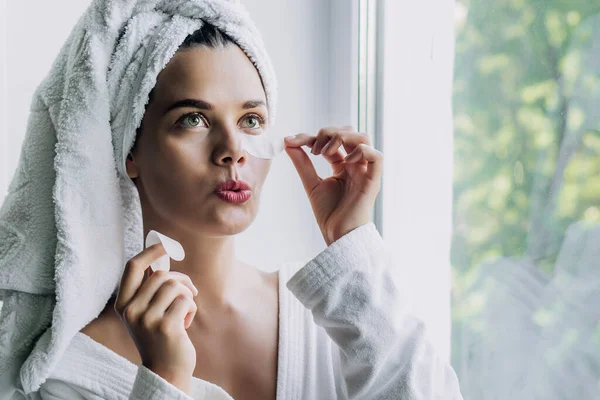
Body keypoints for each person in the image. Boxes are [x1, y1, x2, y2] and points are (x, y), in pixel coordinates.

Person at [2, 2, 463, 399]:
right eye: (193, 119)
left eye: (251, 120)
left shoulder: (335, 319)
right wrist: (163, 379)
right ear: (128, 151)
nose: (232, 149)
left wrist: (353, 241)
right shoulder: (69, 371)